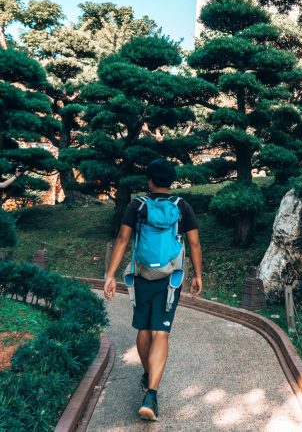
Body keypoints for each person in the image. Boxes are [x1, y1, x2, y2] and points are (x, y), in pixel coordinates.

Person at [103, 158, 202, 421]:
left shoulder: (137, 205)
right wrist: (198, 276)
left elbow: (123, 239)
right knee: (161, 332)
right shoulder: (182, 207)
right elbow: (194, 245)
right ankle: (151, 394)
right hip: (171, 278)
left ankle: (148, 377)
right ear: (171, 181)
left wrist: (110, 275)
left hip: (142, 276)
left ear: (149, 181)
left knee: (144, 329)